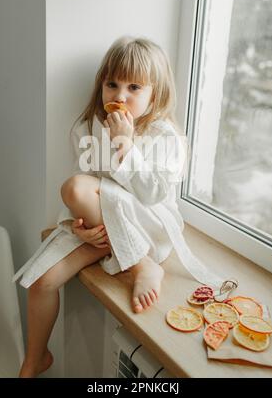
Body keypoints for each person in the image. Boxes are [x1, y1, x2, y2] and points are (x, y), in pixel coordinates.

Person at [14, 35, 191, 378]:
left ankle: (142, 266)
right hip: (107, 227)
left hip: (147, 226)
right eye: (112, 84)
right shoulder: (90, 127)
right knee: (42, 281)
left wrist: (126, 144)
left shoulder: (164, 135)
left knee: (73, 186)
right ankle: (35, 360)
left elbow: (154, 194)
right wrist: (80, 226)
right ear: (101, 85)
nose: (120, 96)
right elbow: (93, 189)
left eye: (134, 87)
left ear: (156, 93)